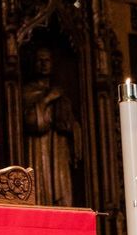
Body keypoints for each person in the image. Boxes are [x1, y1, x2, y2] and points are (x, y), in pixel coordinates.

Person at [22, 47, 82, 206]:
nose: (43, 64)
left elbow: (72, 125)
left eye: (47, 60)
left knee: (62, 192)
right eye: (39, 60)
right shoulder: (27, 92)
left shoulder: (60, 93)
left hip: (58, 150)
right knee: (42, 192)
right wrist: (47, 99)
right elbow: (33, 123)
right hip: (39, 148)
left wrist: (70, 126)